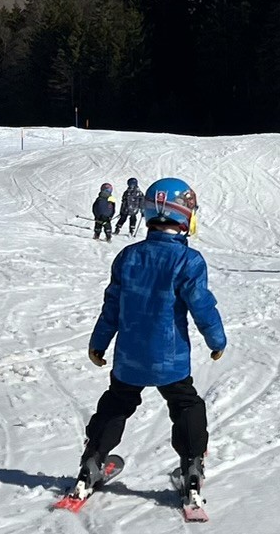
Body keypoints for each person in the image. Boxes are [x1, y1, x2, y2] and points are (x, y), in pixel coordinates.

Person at [73, 176, 227, 502]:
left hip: (129, 357)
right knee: (186, 404)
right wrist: (217, 340)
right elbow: (202, 305)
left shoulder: (128, 256)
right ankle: (192, 468)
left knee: (117, 403)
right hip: (169, 359)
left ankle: (92, 462)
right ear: (185, 215)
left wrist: (99, 342)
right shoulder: (188, 260)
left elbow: (112, 305)